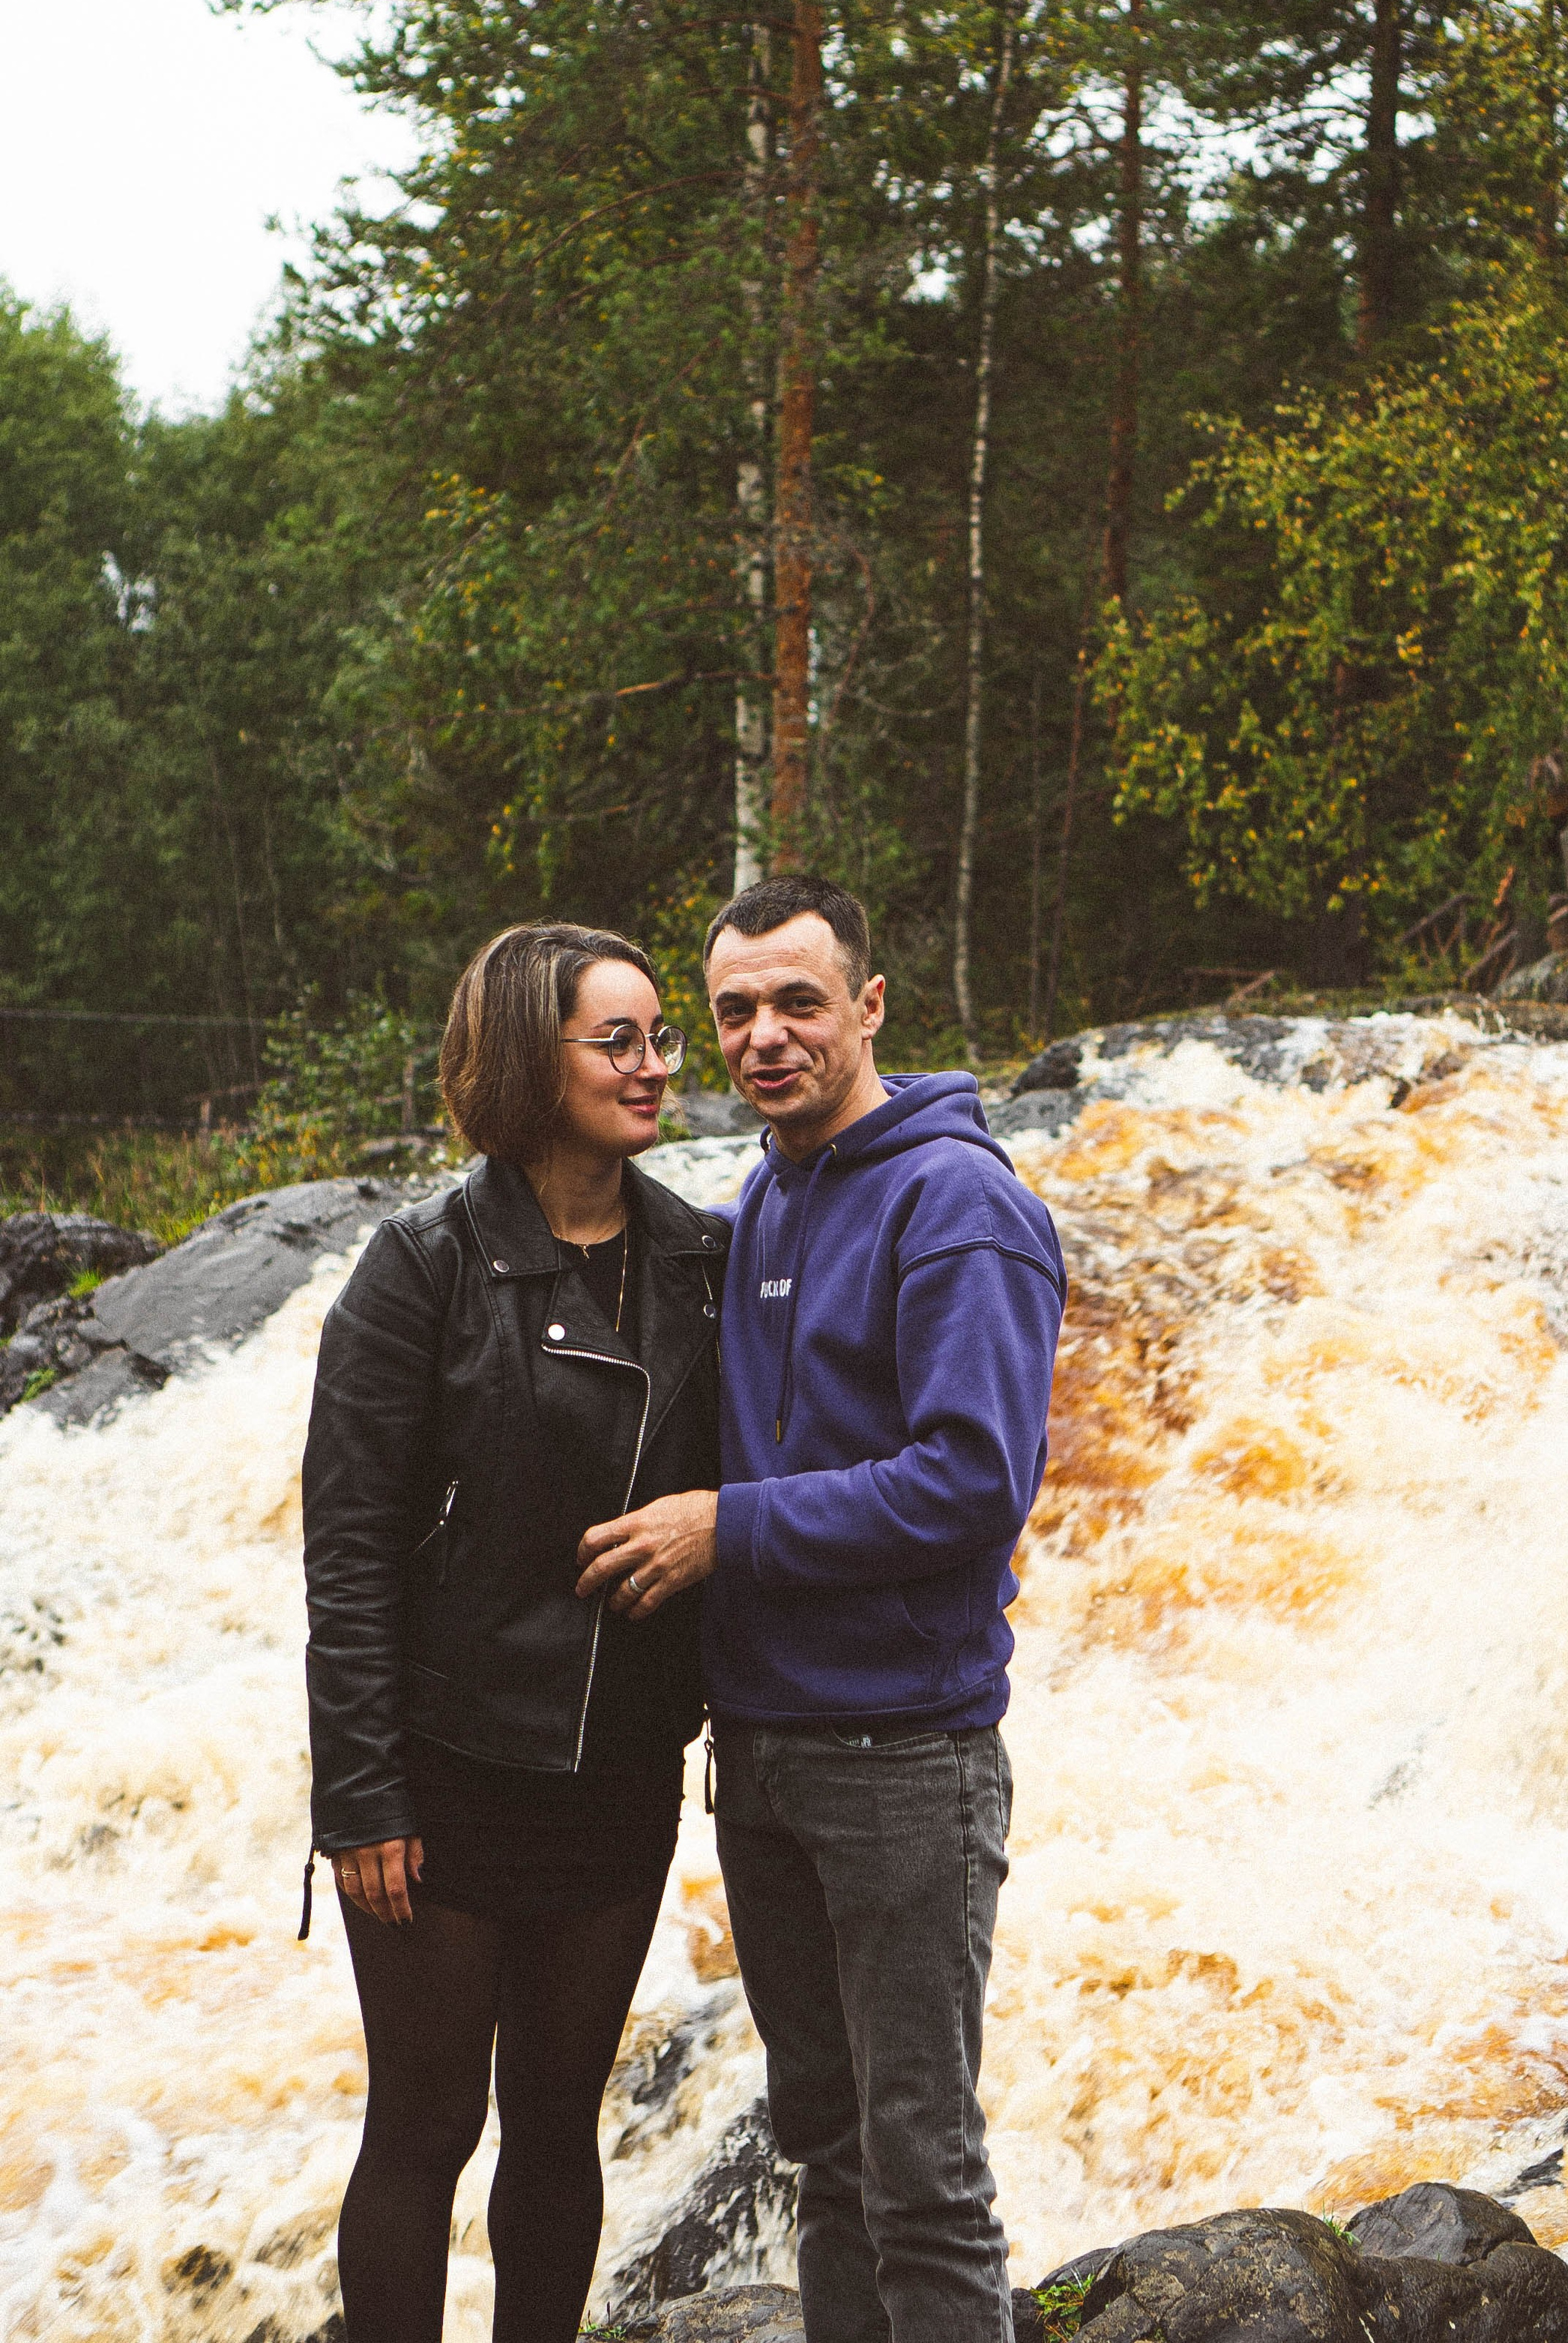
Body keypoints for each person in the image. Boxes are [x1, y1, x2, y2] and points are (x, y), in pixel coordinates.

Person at [612, 873, 1066, 2343]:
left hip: (903, 1758)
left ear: (868, 1007)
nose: (763, 1037)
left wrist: (723, 1529)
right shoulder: (764, 1198)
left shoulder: (957, 1204)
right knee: (826, 2154)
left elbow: (968, 1483)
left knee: (918, 2173)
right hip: (766, 1753)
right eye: (732, 1011)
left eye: (797, 1002)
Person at [302, 921, 726, 2343]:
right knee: (425, 2132)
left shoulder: (701, 1259)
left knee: (557, 2130)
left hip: (616, 1778)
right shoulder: (419, 1267)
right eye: (620, 1040)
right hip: (444, 1776)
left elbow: (767, 1473)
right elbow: (350, 1553)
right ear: (528, 1060)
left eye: (662, 1036)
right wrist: (359, 1794)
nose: (656, 1065)